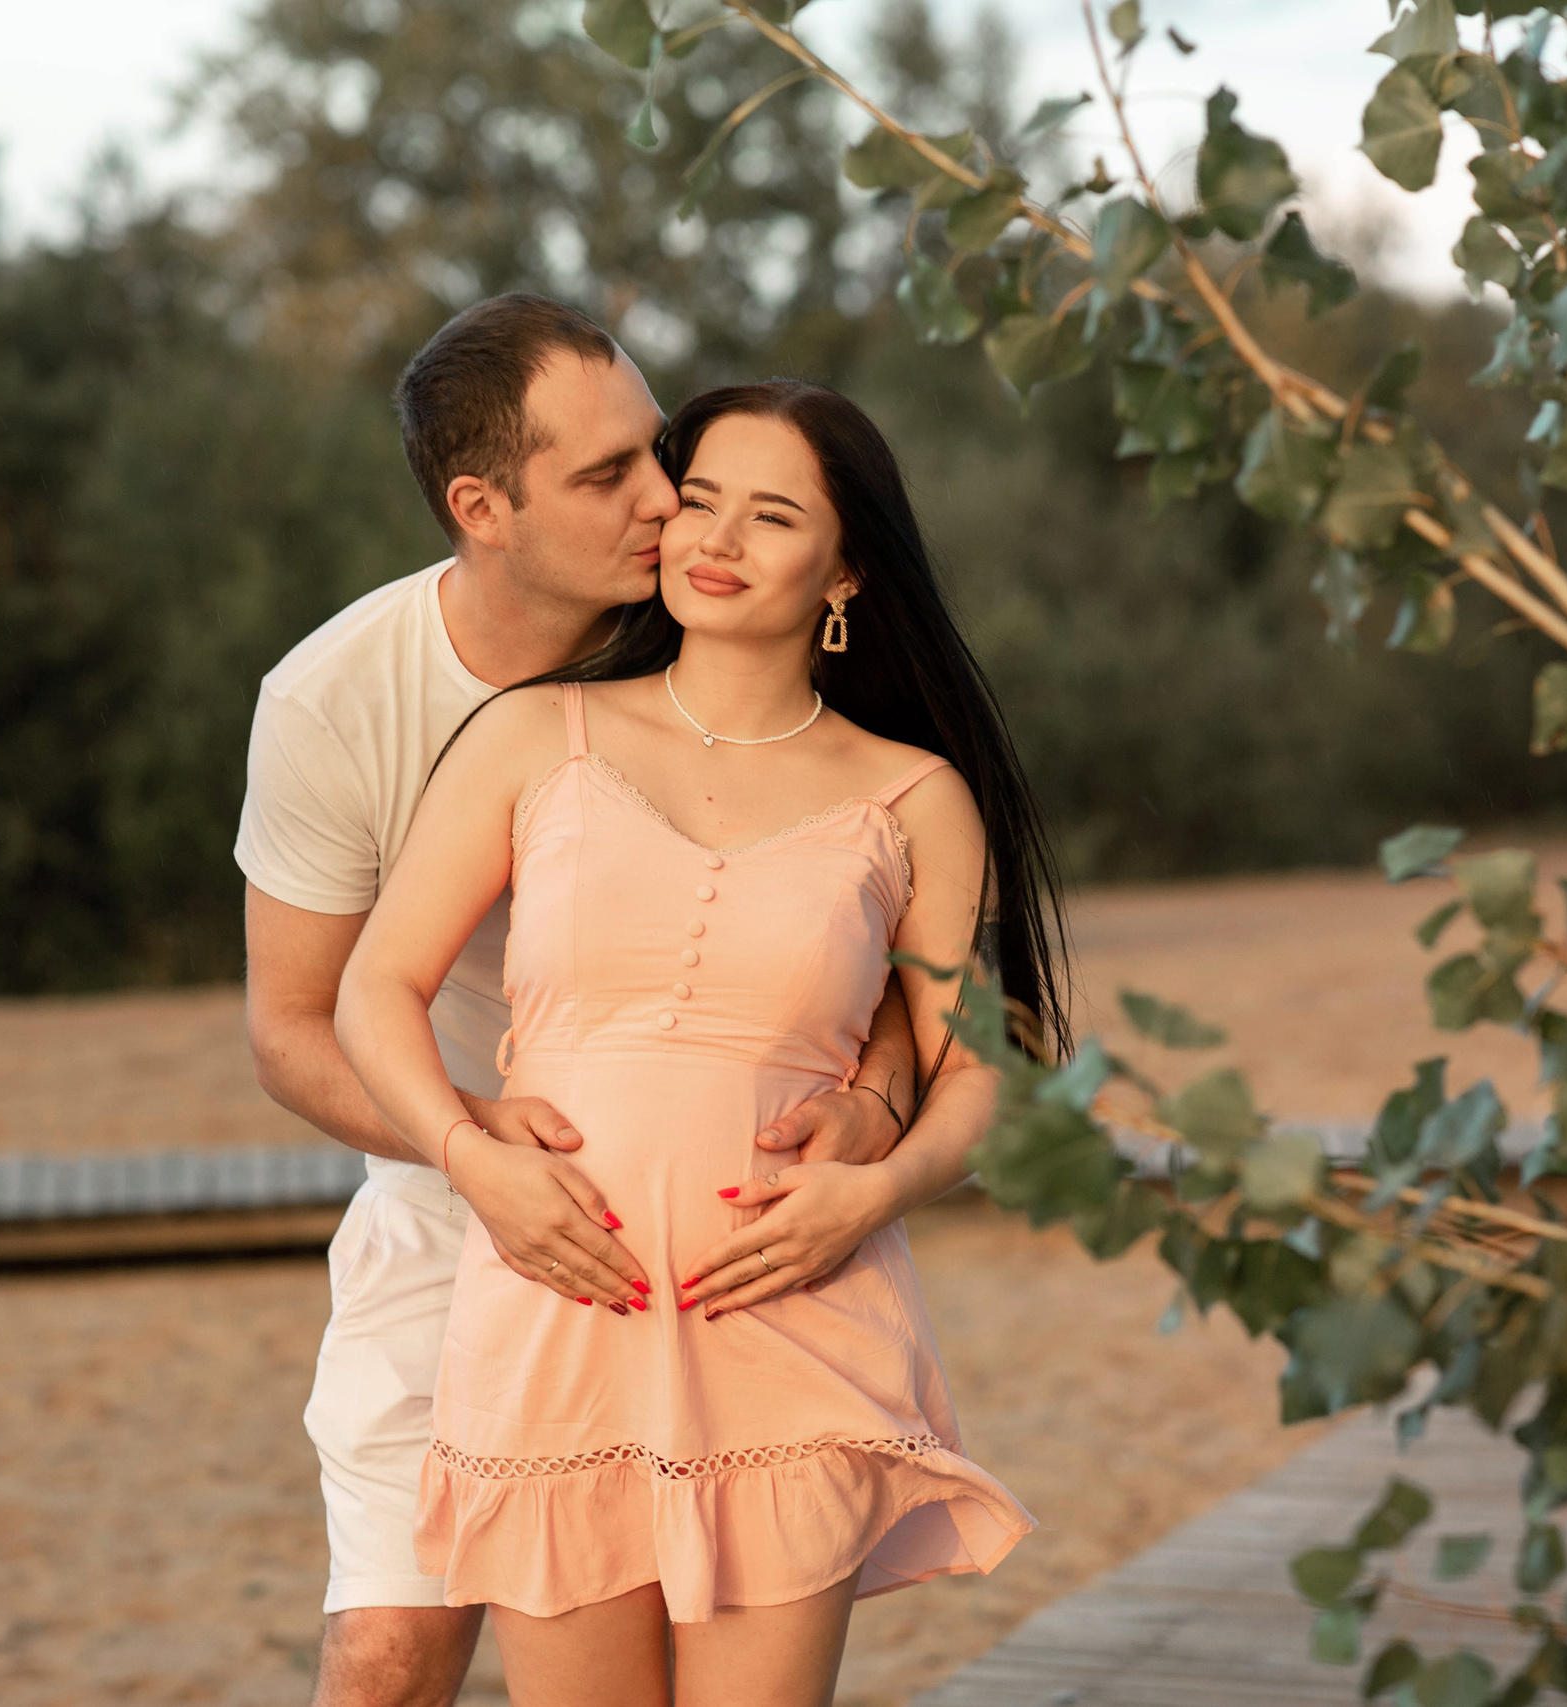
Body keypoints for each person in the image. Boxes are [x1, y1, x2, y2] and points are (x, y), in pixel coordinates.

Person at [334, 379, 1070, 1707]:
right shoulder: (529, 735)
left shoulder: (913, 797)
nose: (716, 539)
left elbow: (980, 1074)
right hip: (559, 1311)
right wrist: (466, 1155)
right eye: (701, 500)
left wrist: (875, 1190)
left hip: (788, 1316)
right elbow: (374, 989)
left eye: (773, 514)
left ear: (845, 566)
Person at [237, 297, 922, 1707]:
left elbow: (890, 927)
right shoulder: (333, 699)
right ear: (484, 507)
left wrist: (876, 1105)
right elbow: (296, 1026)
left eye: (655, 450)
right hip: (449, 1201)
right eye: (608, 476)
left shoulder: (720, 630)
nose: (669, 500)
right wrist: (474, 1154)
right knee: (383, 1659)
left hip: (723, 1230)